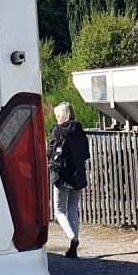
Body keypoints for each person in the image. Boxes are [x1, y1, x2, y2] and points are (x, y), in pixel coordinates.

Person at [49, 102, 90, 258]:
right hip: (78, 175)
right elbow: (85, 154)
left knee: (59, 210)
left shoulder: (57, 130)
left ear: (63, 116)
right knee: (73, 209)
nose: (56, 118)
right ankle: (74, 245)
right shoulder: (80, 131)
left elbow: (49, 151)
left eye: (57, 115)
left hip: (61, 175)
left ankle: (72, 237)